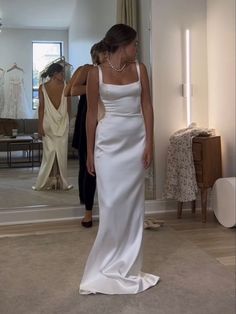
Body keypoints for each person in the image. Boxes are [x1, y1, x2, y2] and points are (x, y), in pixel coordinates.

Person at [79, 24, 159, 295]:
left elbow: (147, 104)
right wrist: (89, 152)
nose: (137, 48)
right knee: (112, 206)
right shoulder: (95, 73)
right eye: (134, 44)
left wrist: (150, 141)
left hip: (135, 142)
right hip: (108, 144)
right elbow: (91, 115)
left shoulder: (140, 69)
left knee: (134, 207)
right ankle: (104, 265)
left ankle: (129, 265)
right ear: (121, 45)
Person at [65, 42, 107, 228]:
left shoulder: (111, 72)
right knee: (87, 166)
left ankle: (99, 206)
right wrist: (95, 86)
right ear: (96, 55)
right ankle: (87, 208)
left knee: (100, 168)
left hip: (105, 119)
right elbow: (71, 91)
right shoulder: (88, 70)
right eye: (104, 53)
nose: (107, 56)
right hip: (87, 118)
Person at [32, 63, 72, 190]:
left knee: (49, 154)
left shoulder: (42, 87)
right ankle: (60, 181)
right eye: (62, 73)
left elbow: (41, 109)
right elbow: (69, 108)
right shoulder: (66, 86)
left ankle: (49, 181)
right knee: (61, 153)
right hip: (61, 123)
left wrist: (40, 126)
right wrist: (68, 121)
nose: (63, 75)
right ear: (55, 74)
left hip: (48, 123)